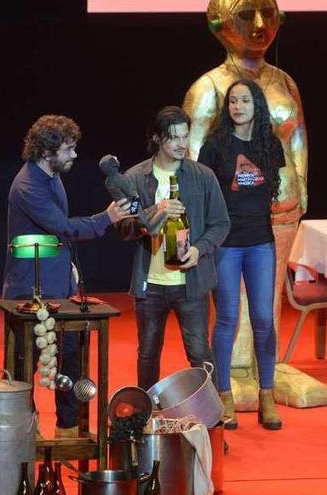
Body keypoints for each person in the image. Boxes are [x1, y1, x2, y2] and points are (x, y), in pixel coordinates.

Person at [182, 0, 309, 409]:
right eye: (244, 15)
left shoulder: (285, 81)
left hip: (280, 206)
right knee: (229, 304)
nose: (259, 25)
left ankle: (266, 374)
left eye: (267, 15)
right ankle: (232, 376)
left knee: (268, 298)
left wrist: (302, 183)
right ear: (219, 24)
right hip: (228, 217)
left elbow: (297, 137)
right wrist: (202, 211)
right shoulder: (209, 87)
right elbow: (193, 151)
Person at [2, 114, 130, 437]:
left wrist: (68, 265)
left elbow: (61, 232)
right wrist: (108, 217)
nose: (74, 155)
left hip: (60, 286)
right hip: (30, 290)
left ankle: (68, 431)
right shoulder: (28, 186)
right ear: (48, 150)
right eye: (69, 149)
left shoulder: (52, 176)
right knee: (24, 369)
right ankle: (21, 438)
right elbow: (64, 227)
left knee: (71, 359)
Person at [117, 106, 230, 391]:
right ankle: (146, 418)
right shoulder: (134, 178)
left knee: (200, 354)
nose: (182, 144)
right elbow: (125, 229)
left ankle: (211, 422)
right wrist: (156, 210)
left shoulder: (203, 176)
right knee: (148, 354)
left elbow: (221, 223)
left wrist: (199, 249)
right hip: (150, 284)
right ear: (157, 138)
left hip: (191, 284)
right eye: (174, 138)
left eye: (185, 136)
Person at [198, 79, 283, 430]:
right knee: (227, 319)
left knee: (264, 319)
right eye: (232, 101)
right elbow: (203, 195)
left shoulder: (269, 144)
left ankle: (267, 395)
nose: (238, 106)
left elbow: (279, 188)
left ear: (256, 105)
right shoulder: (215, 146)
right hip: (226, 244)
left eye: (245, 100)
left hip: (261, 241)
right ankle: (223, 396)